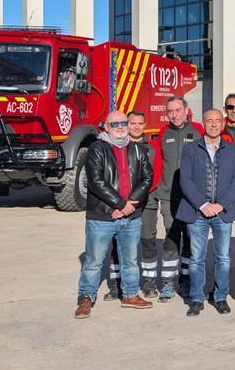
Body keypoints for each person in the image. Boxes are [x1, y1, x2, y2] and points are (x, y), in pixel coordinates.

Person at [74, 110, 154, 318]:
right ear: (106, 127)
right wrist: (120, 204)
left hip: (131, 216)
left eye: (123, 123)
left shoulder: (137, 149)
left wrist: (130, 204)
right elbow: (96, 181)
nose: (120, 127)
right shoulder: (96, 148)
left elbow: (147, 177)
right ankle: (86, 297)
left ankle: (130, 295)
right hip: (102, 216)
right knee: (94, 261)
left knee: (130, 259)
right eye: (114, 124)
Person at [176, 109, 235, 316]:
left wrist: (221, 204)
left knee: (223, 257)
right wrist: (203, 205)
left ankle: (221, 297)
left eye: (217, 121)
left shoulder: (232, 150)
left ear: (223, 123)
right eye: (209, 121)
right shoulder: (190, 149)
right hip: (197, 212)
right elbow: (185, 180)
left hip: (223, 212)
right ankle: (197, 298)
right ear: (202, 123)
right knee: (196, 258)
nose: (213, 124)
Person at [148, 96, 204, 301]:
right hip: (168, 197)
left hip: (193, 198)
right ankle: (168, 283)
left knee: (190, 240)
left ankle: (186, 281)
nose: (174, 114)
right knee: (171, 240)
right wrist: (155, 191)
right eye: (170, 111)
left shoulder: (198, 131)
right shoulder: (163, 133)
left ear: (186, 110)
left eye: (178, 110)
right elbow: (158, 164)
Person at [104, 110, 159, 299]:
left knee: (147, 240)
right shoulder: (115, 146)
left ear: (145, 125)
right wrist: (122, 202)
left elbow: (155, 175)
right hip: (119, 203)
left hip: (146, 201)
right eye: (132, 123)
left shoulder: (152, 147)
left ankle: (149, 283)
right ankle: (116, 284)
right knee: (118, 243)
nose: (136, 127)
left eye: (140, 123)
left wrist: (135, 199)